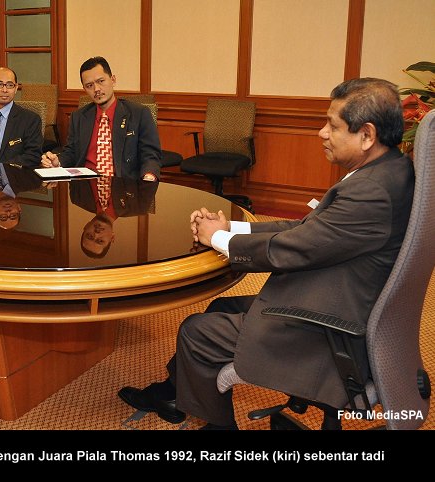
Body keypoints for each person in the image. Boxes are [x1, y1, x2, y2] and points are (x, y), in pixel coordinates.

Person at [117, 77, 414, 429]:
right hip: (342, 299)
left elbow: (296, 248)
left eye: (333, 126)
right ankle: (174, 391)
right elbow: (309, 229)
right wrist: (232, 228)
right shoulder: (390, 170)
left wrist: (218, 239)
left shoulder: (371, 192)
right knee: (221, 308)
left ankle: (218, 427)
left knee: (196, 332)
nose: (321, 133)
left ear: (366, 135)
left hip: (328, 329)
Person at [41, 57, 161, 182]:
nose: (96, 89)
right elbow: (71, 152)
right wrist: (58, 162)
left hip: (123, 186)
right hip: (85, 185)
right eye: (89, 85)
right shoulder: (78, 117)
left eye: (101, 81)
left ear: (113, 80)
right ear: (84, 89)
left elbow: (150, 154)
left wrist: (149, 176)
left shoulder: (138, 114)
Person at [70, 177, 158, 258]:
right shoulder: (139, 206)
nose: (96, 234)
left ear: (86, 226)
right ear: (112, 238)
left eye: (89, 236)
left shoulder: (77, 197)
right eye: (100, 241)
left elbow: (71, 166)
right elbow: (151, 170)